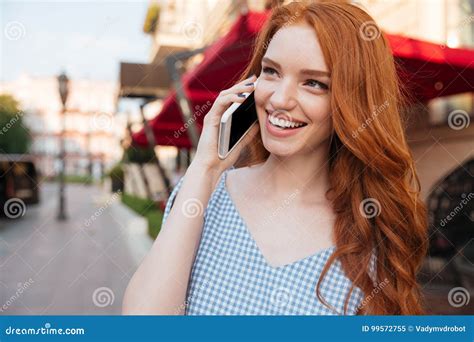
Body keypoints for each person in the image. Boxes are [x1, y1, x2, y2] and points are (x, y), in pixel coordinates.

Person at [123, 0, 428, 315]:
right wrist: (205, 168)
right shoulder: (203, 193)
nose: (279, 99)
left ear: (353, 101)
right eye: (271, 71)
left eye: (313, 83)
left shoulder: (373, 228)